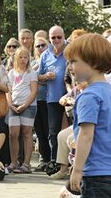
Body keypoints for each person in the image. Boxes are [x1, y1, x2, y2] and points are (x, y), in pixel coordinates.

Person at [64, 33, 111, 197]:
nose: (70, 67)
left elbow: (87, 135)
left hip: (96, 173)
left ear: (93, 62)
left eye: (74, 62)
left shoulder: (88, 96)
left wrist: (77, 170)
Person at [38, 25, 69, 165]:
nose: (56, 40)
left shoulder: (71, 51)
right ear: (49, 38)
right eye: (53, 38)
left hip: (70, 98)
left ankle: (71, 162)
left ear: (64, 37)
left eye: (59, 37)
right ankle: (55, 161)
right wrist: (45, 76)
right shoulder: (45, 54)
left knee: (73, 130)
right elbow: (38, 76)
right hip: (52, 98)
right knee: (53, 132)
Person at [6, 47, 37, 174]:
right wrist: (10, 104)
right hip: (14, 105)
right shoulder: (11, 73)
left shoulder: (31, 73)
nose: (23, 60)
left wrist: (25, 105)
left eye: (25, 57)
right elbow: (8, 90)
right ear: (16, 58)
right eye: (21, 57)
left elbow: (34, 91)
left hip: (28, 106)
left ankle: (26, 163)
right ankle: (14, 162)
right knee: (13, 133)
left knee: (26, 133)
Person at [32, 36, 51, 170]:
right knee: (39, 132)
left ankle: (51, 159)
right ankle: (43, 159)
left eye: (43, 45)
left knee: (48, 130)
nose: (40, 48)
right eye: (37, 46)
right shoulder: (32, 62)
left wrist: (38, 78)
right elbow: (27, 76)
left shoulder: (50, 60)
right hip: (34, 100)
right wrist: (41, 77)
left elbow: (51, 77)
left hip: (48, 99)